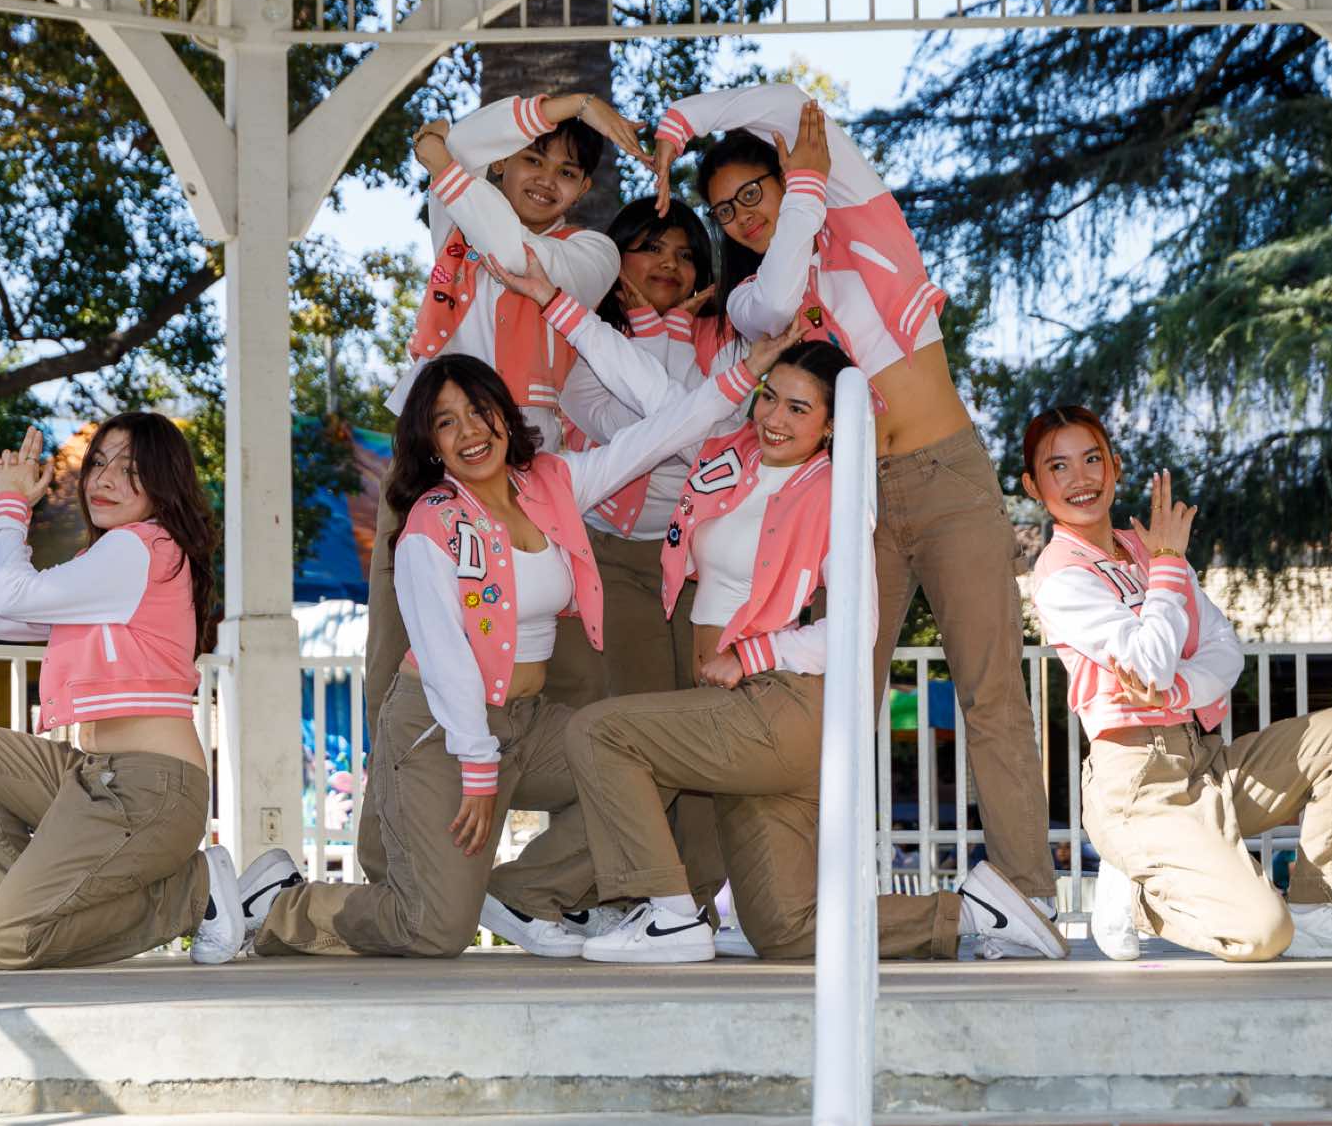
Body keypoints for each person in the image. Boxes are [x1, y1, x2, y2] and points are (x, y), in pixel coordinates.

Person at [475, 250, 1066, 965]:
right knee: (785, 928)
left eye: (798, 408)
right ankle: (975, 913)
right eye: (768, 397)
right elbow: (640, 380)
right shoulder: (728, 455)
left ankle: (668, 915)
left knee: (601, 734)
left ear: (832, 424)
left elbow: (854, 630)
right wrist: (555, 301)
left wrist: (754, 653)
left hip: (778, 707)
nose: (774, 418)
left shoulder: (835, 494)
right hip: (737, 718)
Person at [228, 304, 797, 961]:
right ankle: (279, 903)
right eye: (446, 422)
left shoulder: (551, 483)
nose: (470, 431)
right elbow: (445, 658)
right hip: (443, 730)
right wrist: (477, 766)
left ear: (504, 414)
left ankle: (525, 892)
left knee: (650, 758)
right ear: (430, 444)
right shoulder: (432, 524)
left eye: (479, 411)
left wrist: (745, 374)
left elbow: (658, 434)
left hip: (527, 723)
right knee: (434, 929)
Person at [651, 86, 1058, 953]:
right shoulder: (758, 301)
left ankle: (1027, 896)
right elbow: (769, 313)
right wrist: (791, 199)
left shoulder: (862, 218)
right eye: (725, 211)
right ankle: (804, 898)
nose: (742, 216)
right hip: (853, 496)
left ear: (790, 173)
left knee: (989, 688)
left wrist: (680, 125)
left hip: (944, 474)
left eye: (752, 193)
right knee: (838, 698)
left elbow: (787, 102)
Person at [1020, 404, 1332, 962]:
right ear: (1033, 486)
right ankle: (1141, 892)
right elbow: (1149, 661)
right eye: (1058, 467)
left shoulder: (1149, 549)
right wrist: (1168, 564)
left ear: (1115, 466)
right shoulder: (1061, 575)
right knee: (1264, 934)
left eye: (1092, 459)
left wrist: (1176, 690)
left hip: (1206, 761)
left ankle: (1320, 907)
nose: (1080, 478)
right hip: (1139, 784)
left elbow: (1225, 651)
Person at [361, 93, 645, 732]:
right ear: (500, 164)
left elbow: (513, 254)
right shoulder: (456, 214)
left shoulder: (592, 255)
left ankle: (571, 780)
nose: (546, 180)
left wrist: (437, 156)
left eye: (567, 172)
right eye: (532, 159)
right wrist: (573, 105)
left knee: (567, 654)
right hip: (431, 457)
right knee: (398, 633)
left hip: (532, 474)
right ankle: (394, 786)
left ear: (584, 190)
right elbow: (465, 146)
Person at [0, 415, 239, 970]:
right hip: (95, 777)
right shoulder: (108, 562)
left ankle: (191, 894)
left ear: (164, 483)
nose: (105, 478)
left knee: (7, 941)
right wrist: (11, 514)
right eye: (99, 463)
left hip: (148, 788)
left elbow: (11, 596)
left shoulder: (141, 548)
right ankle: (23, 920)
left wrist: (10, 508)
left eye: (131, 469)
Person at [534, 196, 744, 917]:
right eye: (651, 247)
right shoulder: (587, 340)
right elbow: (637, 426)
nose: (669, 264)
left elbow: (722, 438)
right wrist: (653, 331)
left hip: (700, 561)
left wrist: (677, 333)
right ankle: (635, 896)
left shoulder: (723, 340)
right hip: (615, 559)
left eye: (685, 254)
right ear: (616, 259)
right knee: (641, 726)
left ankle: (693, 901)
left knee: (705, 729)